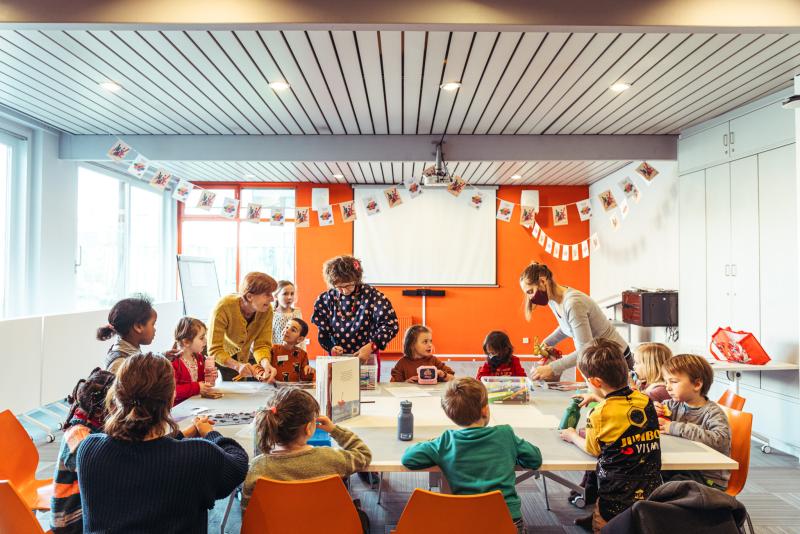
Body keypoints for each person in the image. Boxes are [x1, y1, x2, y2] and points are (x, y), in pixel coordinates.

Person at [77, 352, 248, 534]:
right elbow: (238, 464)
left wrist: (180, 435)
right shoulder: (199, 455)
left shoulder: (89, 449)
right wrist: (210, 433)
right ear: (171, 398)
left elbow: (146, 455)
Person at [401, 377, 542, 533]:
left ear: (450, 415)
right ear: (485, 409)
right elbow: (535, 459)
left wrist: (435, 441)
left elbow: (409, 458)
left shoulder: (446, 441)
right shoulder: (505, 434)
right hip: (506, 523)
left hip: (465, 523)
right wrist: (512, 453)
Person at [559, 338, 662, 533]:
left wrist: (572, 435)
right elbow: (623, 409)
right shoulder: (644, 400)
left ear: (595, 382)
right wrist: (599, 398)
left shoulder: (598, 413)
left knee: (604, 524)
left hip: (615, 491)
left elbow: (592, 449)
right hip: (651, 487)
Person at [242, 387, 372, 509]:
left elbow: (248, 513)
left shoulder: (257, 467)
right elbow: (364, 454)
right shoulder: (330, 459)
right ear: (309, 428)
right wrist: (334, 430)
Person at [519, 262, 632, 381]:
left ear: (542, 281)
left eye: (530, 291)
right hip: (599, 360)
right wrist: (548, 342)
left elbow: (585, 350)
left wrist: (552, 368)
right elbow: (566, 327)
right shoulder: (553, 300)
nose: (531, 298)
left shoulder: (573, 304)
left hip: (617, 361)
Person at [50, 368, 115, 534]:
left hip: (84, 508)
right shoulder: (77, 436)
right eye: (118, 405)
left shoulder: (93, 426)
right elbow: (101, 471)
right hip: (71, 520)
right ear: (100, 411)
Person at [311, 255, 399, 375]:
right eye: (339, 287)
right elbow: (323, 333)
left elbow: (390, 325)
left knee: (368, 392)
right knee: (338, 391)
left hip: (367, 355)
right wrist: (331, 347)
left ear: (356, 279)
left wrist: (372, 346)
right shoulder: (326, 299)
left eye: (348, 285)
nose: (345, 291)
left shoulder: (372, 295)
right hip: (338, 358)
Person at [657, 354, 731, 490]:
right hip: (680, 467)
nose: (667, 387)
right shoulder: (672, 406)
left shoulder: (712, 412)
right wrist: (651, 412)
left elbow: (721, 440)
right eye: (666, 382)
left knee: (667, 485)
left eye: (673, 382)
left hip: (707, 478)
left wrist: (674, 427)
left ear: (697, 384)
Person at [208, 271, 278, 382]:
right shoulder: (224, 307)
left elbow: (262, 345)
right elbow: (214, 350)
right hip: (219, 357)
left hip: (242, 357)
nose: (272, 299)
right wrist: (237, 366)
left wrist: (266, 364)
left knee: (241, 392)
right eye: (267, 294)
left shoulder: (267, 310)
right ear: (250, 296)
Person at [96, 295, 157, 373]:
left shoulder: (129, 347)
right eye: (153, 324)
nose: (154, 329)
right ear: (138, 326)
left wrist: (162, 357)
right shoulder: (120, 364)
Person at [171, 317, 221, 405]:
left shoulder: (199, 358)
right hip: (180, 409)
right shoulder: (173, 363)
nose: (205, 341)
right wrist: (197, 387)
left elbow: (202, 382)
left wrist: (210, 377)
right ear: (186, 342)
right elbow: (173, 391)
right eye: (201, 338)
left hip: (196, 405)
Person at [390, 325, 454, 383]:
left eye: (430, 341)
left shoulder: (433, 360)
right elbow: (393, 385)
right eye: (425, 341)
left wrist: (442, 374)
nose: (430, 345)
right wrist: (405, 383)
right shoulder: (402, 363)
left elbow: (453, 378)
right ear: (412, 345)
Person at [270, 318, 315, 382]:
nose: (287, 330)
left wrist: (309, 372)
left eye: (293, 330)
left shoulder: (302, 354)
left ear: (300, 339)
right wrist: (262, 374)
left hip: (293, 390)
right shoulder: (272, 349)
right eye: (287, 327)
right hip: (273, 388)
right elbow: (259, 367)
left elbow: (304, 377)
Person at [272, 280, 303, 346]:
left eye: (292, 294)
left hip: (295, 354)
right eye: (285, 294)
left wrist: (304, 354)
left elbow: (302, 336)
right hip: (276, 353)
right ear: (276, 296)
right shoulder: (271, 314)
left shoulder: (297, 312)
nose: (289, 297)